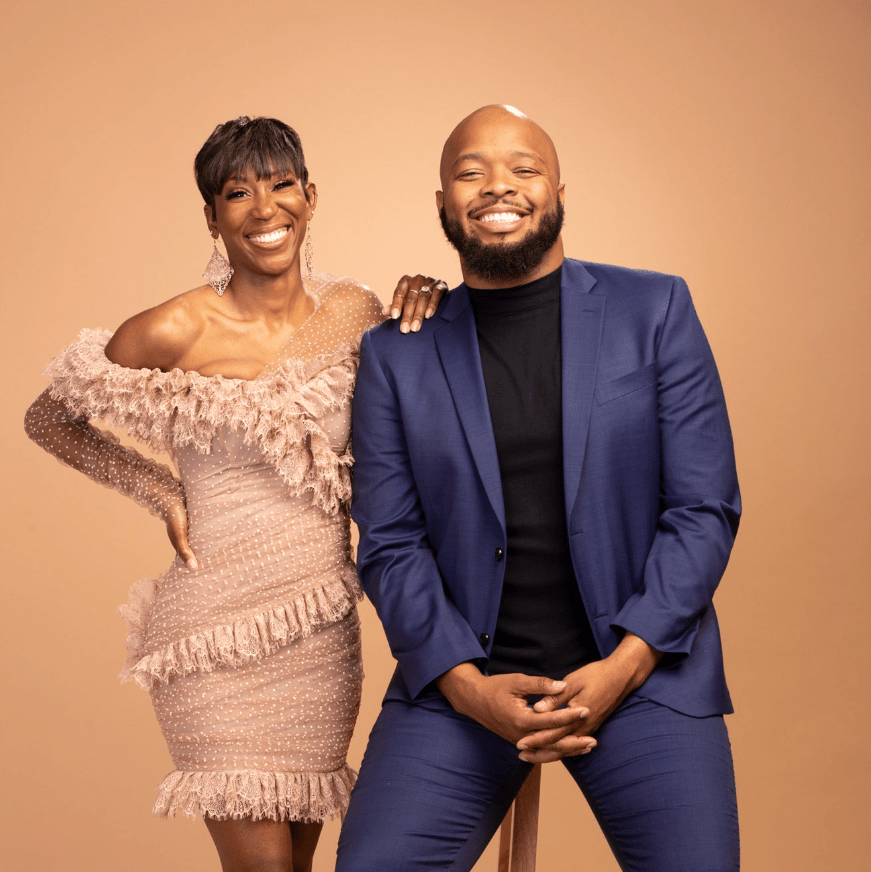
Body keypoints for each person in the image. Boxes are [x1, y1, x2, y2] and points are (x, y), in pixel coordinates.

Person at [24, 116, 446, 872]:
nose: (264, 208)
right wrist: (158, 487)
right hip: (214, 634)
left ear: (310, 196)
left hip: (320, 633)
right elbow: (48, 417)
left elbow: (427, 396)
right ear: (212, 216)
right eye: (238, 192)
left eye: (281, 185)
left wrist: (434, 295)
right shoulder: (175, 326)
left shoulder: (354, 311)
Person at [340, 104, 742, 871]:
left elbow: (703, 509)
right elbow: (390, 543)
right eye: (472, 172)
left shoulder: (654, 310)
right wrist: (467, 689)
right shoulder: (397, 353)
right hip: (462, 684)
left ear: (559, 190)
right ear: (443, 203)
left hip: (644, 673)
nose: (499, 186)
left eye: (524, 169)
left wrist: (624, 667)